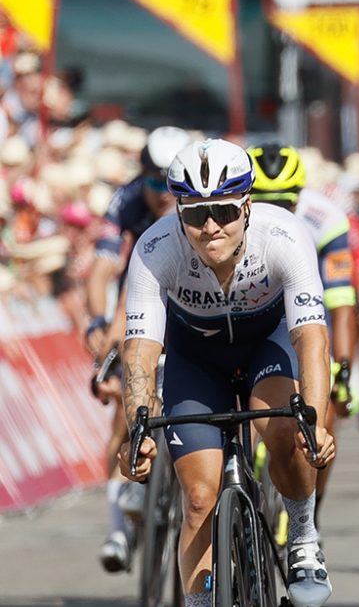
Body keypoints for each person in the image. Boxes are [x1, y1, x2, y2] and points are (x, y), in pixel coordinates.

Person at [116, 139, 336, 607]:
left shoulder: (286, 236)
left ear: (248, 207)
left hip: (267, 345)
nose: (210, 226)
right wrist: (138, 427)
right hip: (196, 361)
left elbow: (311, 339)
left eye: (223, 212)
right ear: (179, 213)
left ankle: (303, 535)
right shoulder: (154, 249)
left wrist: (313, 420)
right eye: (195, 215)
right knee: (198, 498)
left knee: (281, 432)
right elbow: (140, 350)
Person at [86, 124, 191, 572]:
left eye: (168, 183)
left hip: (189, 304)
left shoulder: (197, 202)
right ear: (140, 178)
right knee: (122, 414)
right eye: (153, 182)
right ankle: (118, 529)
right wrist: (97, 324)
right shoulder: (127, 201)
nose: (161, 193)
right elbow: (102, 271)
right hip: (141, 300)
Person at [248, 142, 357, 520]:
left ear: (300, 197)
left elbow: (341, 305)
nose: (275, 212)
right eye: (263, 201)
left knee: (321, 420)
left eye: (285, 203)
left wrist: (343, 366)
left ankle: (309, 514)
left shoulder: (326, 220)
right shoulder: (232, 223)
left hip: (306, 315)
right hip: (254, 319)